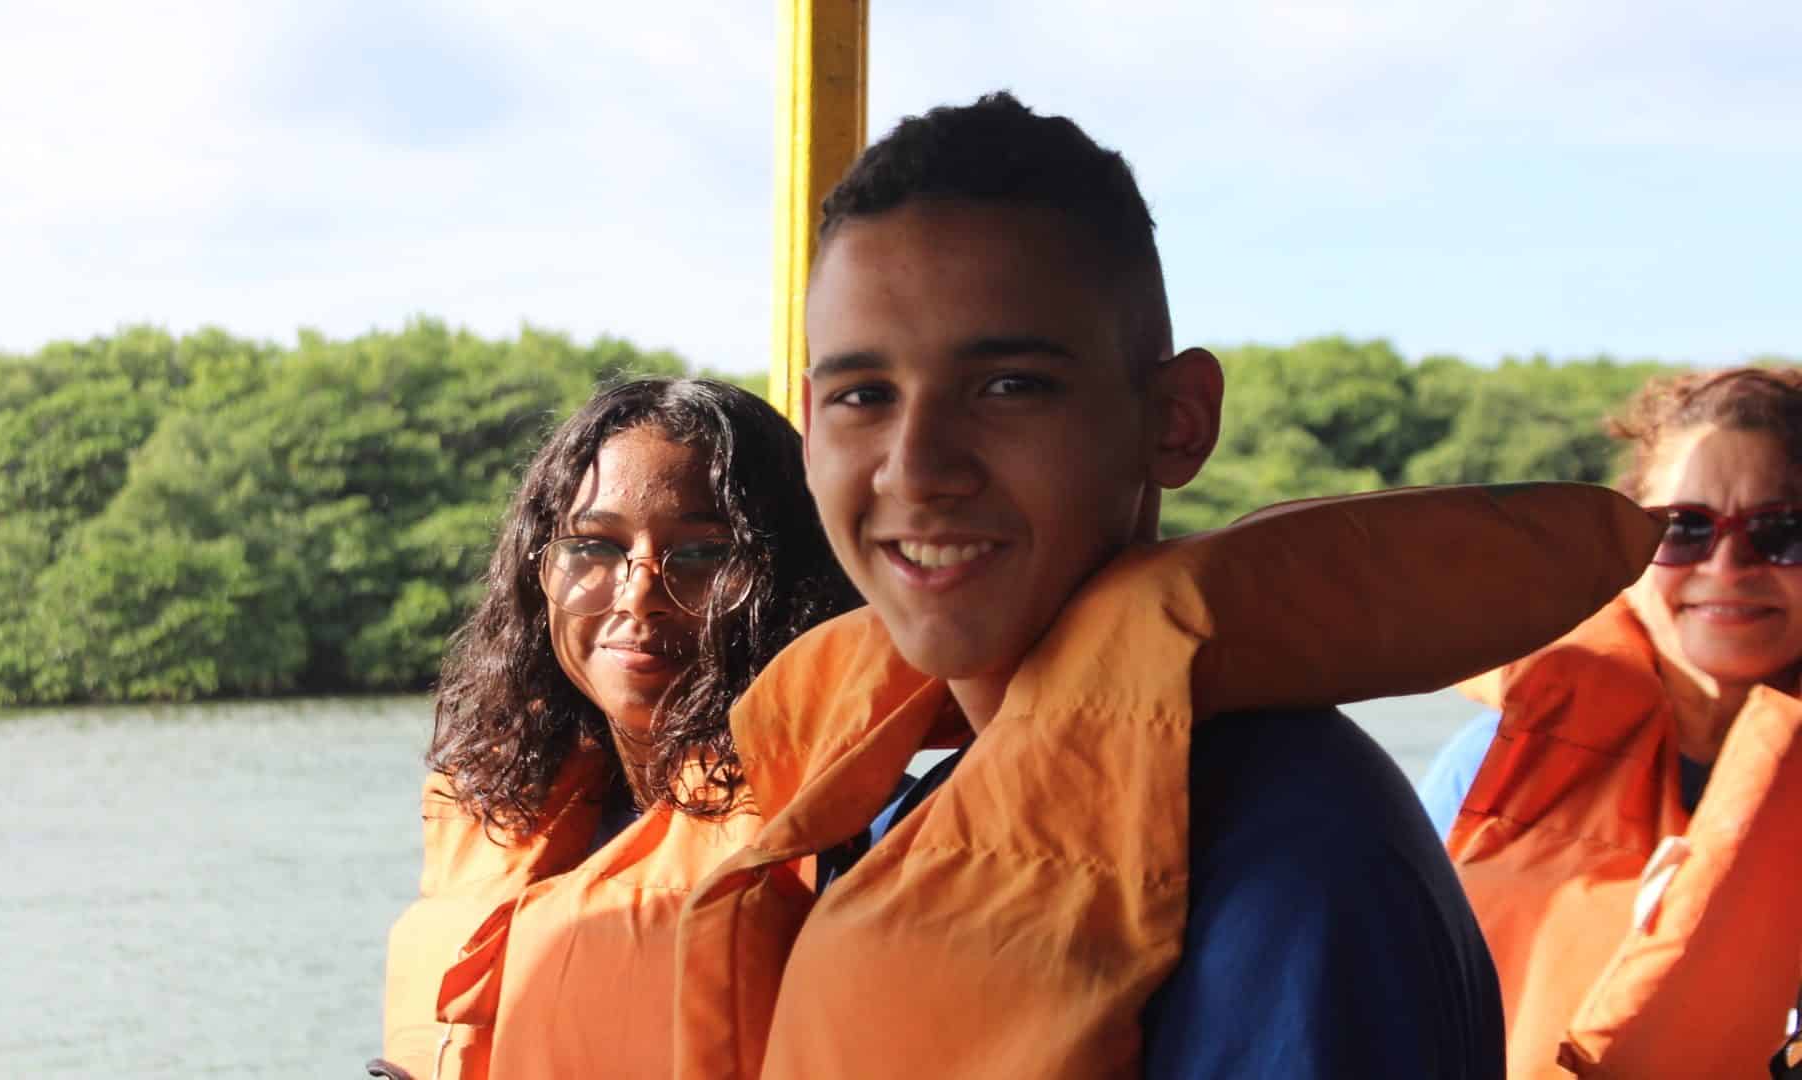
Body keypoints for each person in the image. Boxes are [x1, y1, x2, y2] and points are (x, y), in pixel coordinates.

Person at [669, 92, 1657, 1080]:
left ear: (1177, 420)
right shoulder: (893, 819)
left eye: (1010, 386)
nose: (916, 467)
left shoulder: (1298, 856)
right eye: (862, 397)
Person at [372, 378, 858, 1080]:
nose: (639, 596)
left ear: (790, 582)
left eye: (703, 555)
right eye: (594, 548)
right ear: (538, 571)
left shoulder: (848, 834)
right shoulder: (506, 802)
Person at [1420, 367, 1802, 1077]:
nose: (1728, 564)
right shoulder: (1483, 766)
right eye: (1683, 528)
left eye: (1784, 532)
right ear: (1624, 549)